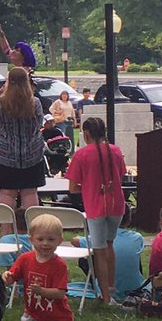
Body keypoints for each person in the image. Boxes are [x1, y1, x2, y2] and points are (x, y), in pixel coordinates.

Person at [2, 213, 98, 321]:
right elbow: (13, 275)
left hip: (58, 320)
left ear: (60, 240)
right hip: (32, 317)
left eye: (51, 239)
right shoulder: (25, 259)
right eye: (40, 239)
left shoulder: (58, 265)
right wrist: (7, 277)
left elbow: (60, 293)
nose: (45, 243)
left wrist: (42, 292)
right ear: (31, 239)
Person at [66, 116, 126, 306]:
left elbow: (73, 188)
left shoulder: (81, 155)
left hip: (95, 206)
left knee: (99, 250)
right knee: (109, 245)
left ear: (86, 134)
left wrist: (88, 186)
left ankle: (105, 297)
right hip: (116, 205)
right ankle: (112, 290)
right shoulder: (115, 150)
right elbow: (121, 174)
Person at [0, 67, 46, 235]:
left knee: (7, 194)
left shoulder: (0, 102)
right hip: (32, 153)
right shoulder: (35, 102)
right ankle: (33, 235)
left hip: (5, 154)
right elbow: (39, 123)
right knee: (30, 193)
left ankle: (6, 235)